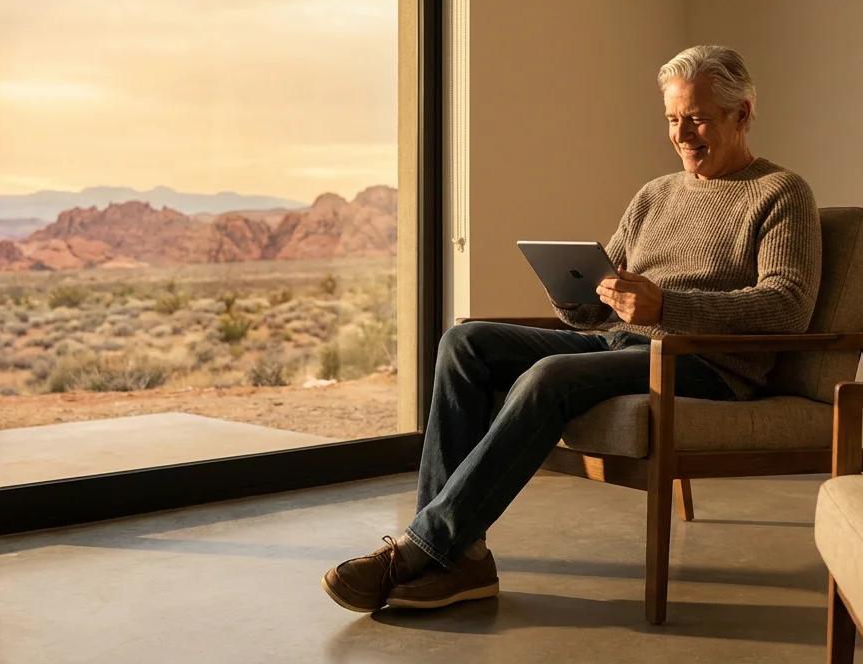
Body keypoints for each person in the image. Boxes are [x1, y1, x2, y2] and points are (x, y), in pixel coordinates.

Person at [321, 44, 822, 613]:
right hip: (624, 343)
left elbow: (787, 306)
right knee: (466, 342)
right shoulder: (655, 194)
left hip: (706, 365)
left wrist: (667, 308)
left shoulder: (781, 193)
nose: (683, 134)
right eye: (673, 119)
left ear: (744, 114)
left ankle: (424, 549)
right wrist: (577, 294)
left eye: (699, 119)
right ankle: (460, 559)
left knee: (552, 375)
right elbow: (600, 307)